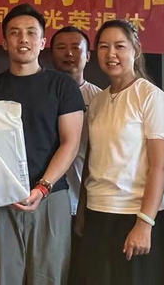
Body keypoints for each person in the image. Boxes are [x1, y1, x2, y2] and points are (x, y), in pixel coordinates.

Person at [0, 3, 83, 285]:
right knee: (1, 275)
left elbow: (70, 143)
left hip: (50, 196)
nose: (23, 39)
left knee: (49, 277)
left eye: (31, 32)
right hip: (1, 198)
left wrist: (42, 187)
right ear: (4, 42)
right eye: (14, 33)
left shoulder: (62, 86)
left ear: (43, 41)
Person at [72, 19, 164, 285]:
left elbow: (160, 166)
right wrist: (83, 209)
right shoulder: (98, 100)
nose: (111, 54)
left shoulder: (150, 97)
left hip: (135, 215)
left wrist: (145, 223)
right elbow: (92, 158)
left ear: (136, 50)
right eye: (104, 47)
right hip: (98, 212)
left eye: (119, 46)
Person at [50, 26, 102, 216]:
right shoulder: (41, 93)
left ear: (88, 56)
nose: (69, 53)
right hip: (47, 197)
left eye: (75, 47)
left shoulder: (100, 99)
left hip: (88, 199)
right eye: (61, 47)